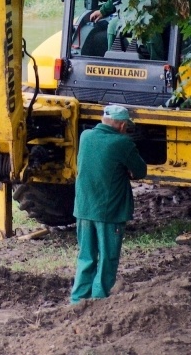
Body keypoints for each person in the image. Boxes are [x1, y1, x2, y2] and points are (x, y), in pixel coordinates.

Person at [70, 104, 147, 304]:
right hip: (109, 211)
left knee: (86, 256)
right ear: (122, 126)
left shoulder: (85, 137)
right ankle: (99, 301)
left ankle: (78, 301)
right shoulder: (122, 143)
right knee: (107, 258)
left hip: (84, 208)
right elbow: (140, 171)